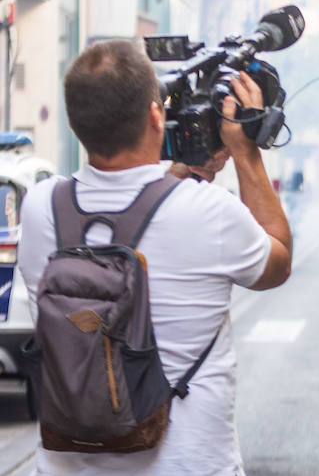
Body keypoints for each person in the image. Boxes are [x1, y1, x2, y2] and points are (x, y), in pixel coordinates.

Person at [18, 39, 291, 475]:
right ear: (154, 115)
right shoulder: (208, 211)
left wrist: (177, 175)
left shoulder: (39, 207)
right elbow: (276, 260)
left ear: (75, 124)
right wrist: (245, 151)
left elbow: (125, 198)